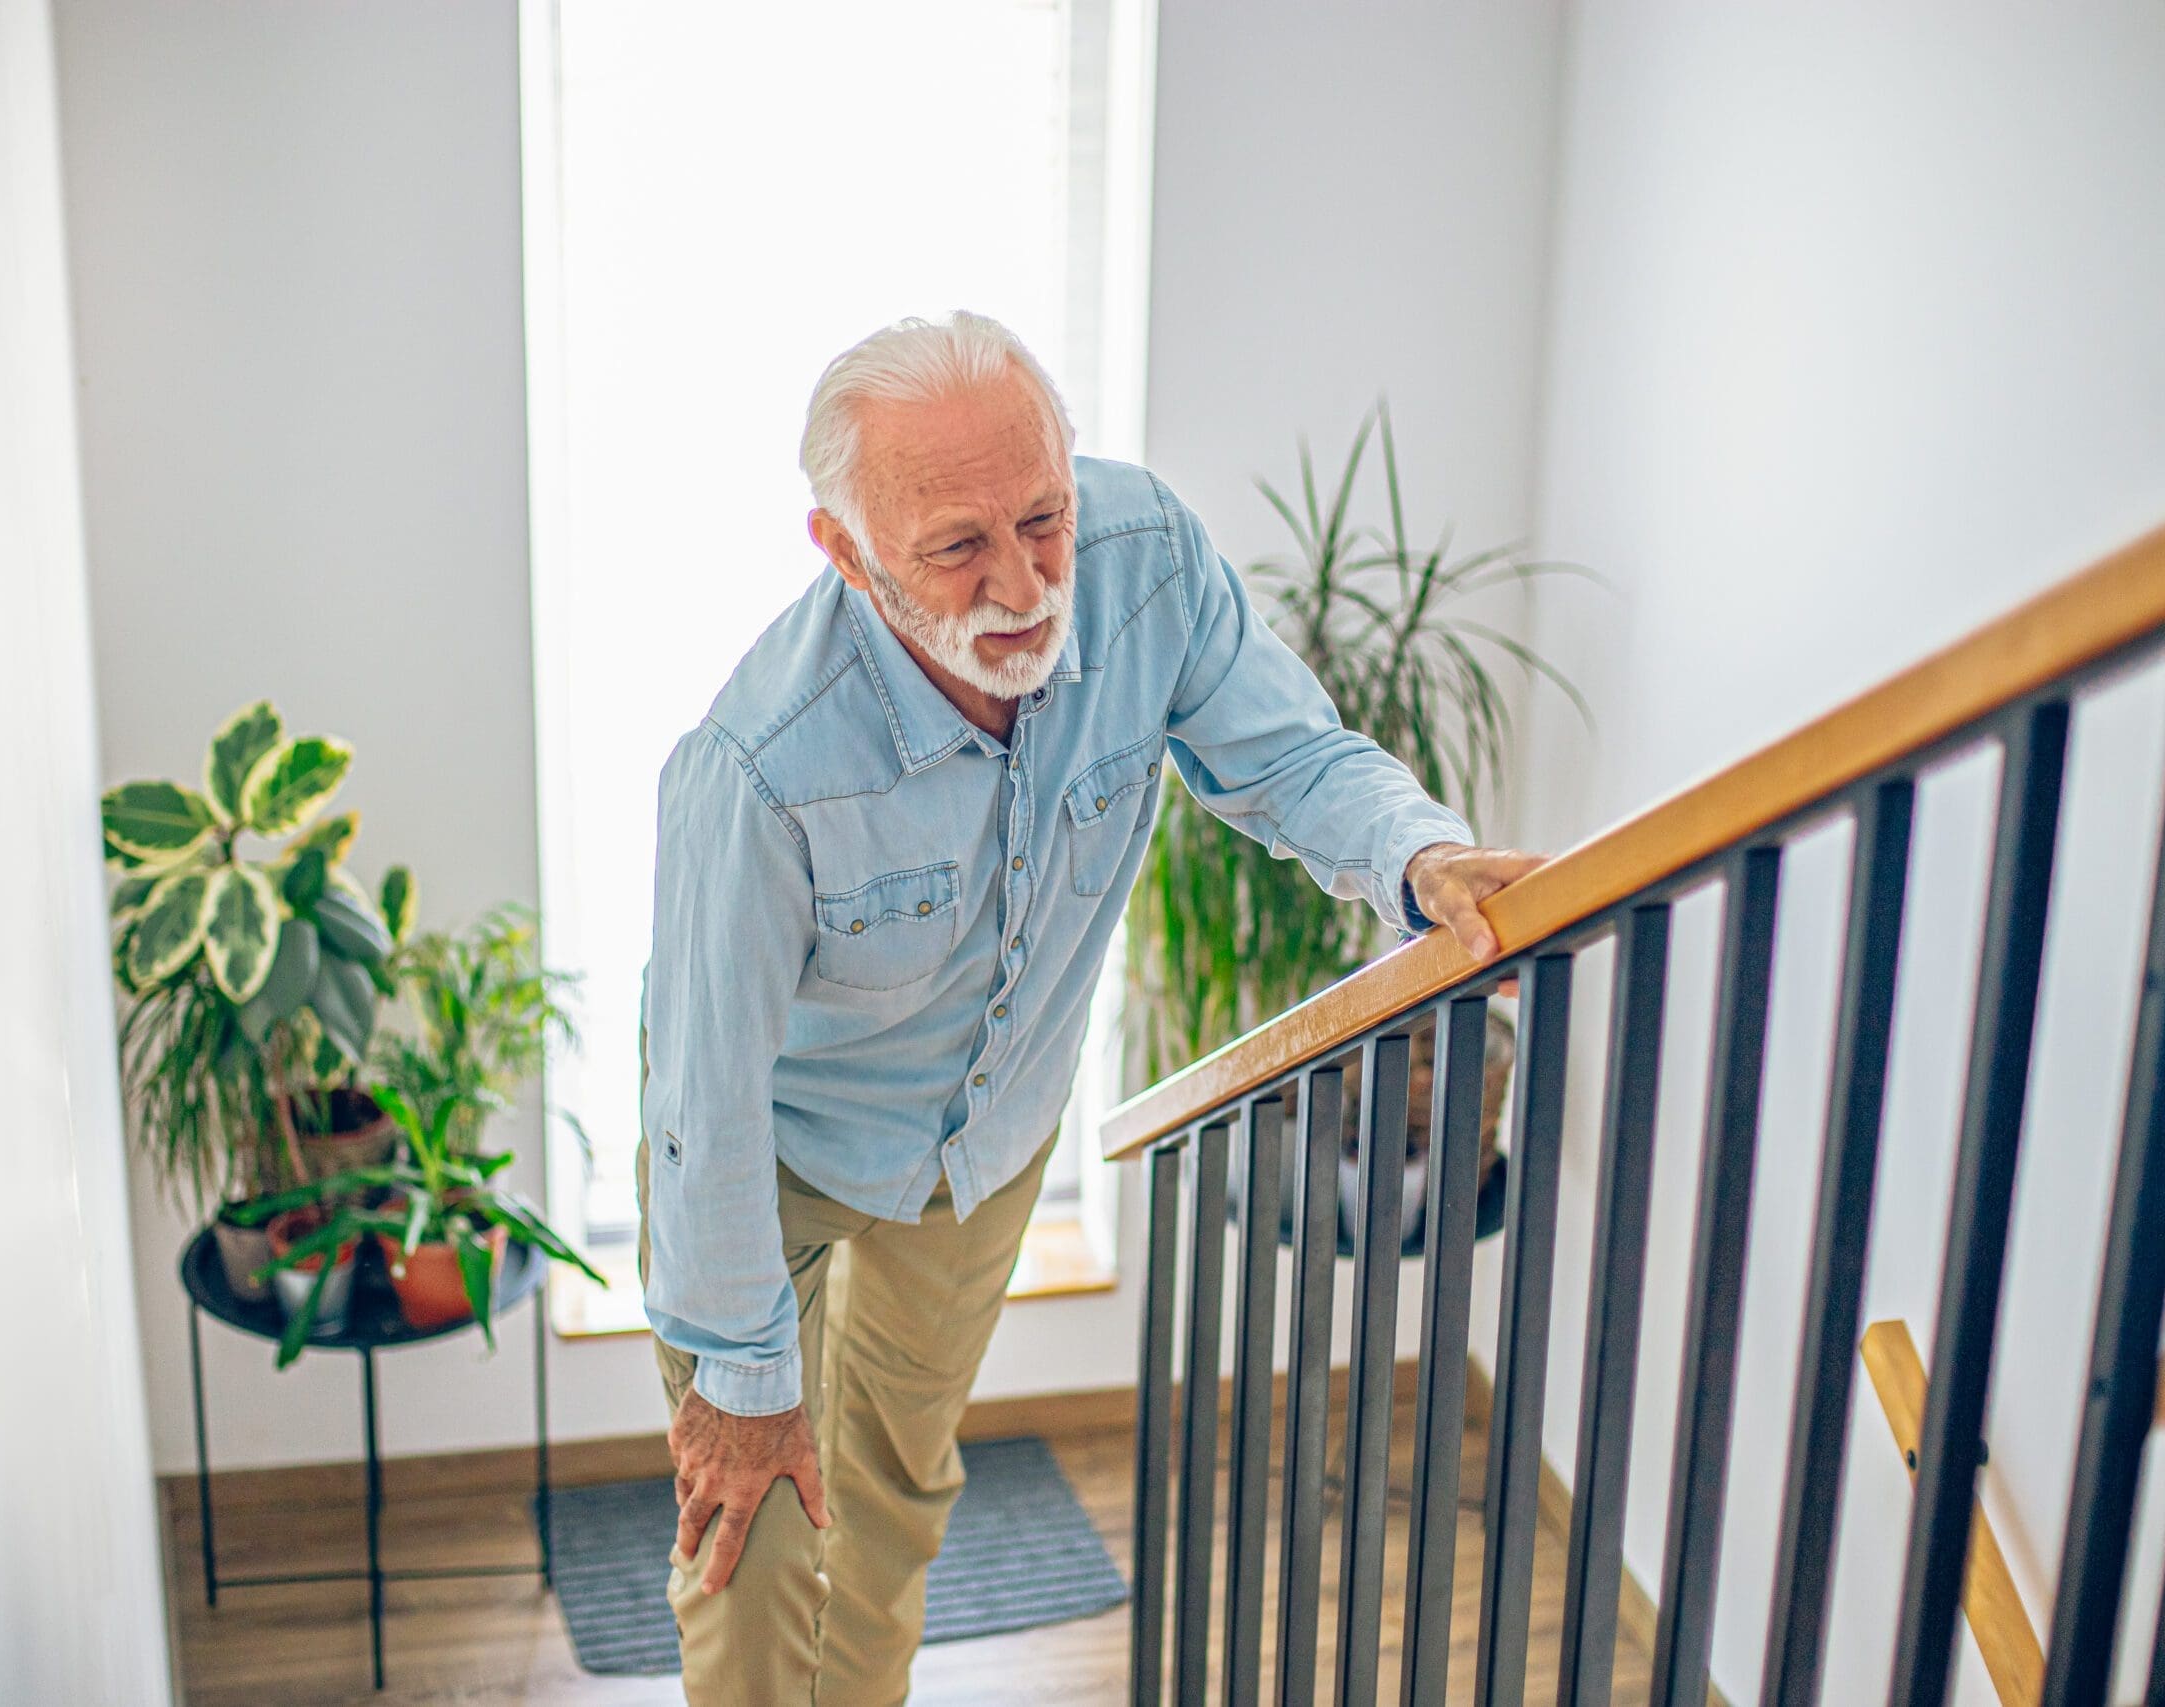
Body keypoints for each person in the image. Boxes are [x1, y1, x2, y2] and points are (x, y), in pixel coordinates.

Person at [637, 312, 1540, 1704]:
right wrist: (743, 1388)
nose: (1024, 583)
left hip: (984, 1144)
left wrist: (1417, 857)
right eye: (956, 546)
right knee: (752, 1536)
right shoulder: (757, 769)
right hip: (772, 1154)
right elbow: (702, 1098)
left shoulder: (1146, 561)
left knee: (885, 1518)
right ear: (846, 552)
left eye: (1043, 517)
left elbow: (1290, 755)